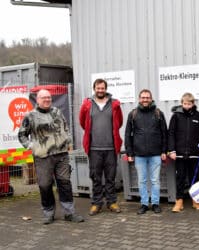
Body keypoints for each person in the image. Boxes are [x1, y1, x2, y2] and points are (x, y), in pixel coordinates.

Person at [18, 89, 84, 224]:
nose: (47, 100)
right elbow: (22, 135)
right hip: (43, 157)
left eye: (48, 97)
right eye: (43, 98)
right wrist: (32, 146)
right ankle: (48, 213)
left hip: (61, 155)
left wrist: (69, 143)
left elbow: (65, 127)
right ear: (37, 99)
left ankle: (69, 213)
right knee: (44, 185)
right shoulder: (30, 116)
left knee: (64, 183)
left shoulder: (57, 112)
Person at [79, 78, 123, 216]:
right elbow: (82, 122)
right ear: (94, 89)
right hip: (94, 148)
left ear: (106, 89)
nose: (100, 90)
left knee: (110, 177)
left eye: (102, 88)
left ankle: (112, 202)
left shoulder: (114, 104)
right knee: (96, 177)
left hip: (111, 148)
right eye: (98, 88)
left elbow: (119, 122)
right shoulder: (87, 104)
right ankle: (96, 203)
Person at [125, 89, 168, 214]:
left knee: (155, 180)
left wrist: (164, 150)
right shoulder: (133, 114)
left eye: (147, 97)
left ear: (151, 98)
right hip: (139, 154)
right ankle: (144, 204)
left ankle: (155, 203)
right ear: (139, 99)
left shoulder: (158, 113)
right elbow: (128, 134)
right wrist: (129, 153)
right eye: (143, 97)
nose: (145, 99)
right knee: (141, 180)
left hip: (156, 153)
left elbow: (164, 133)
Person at [168, 93, 199, 212]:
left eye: (189, 104)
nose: (187, 106)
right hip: (179, 154)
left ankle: (196, 200)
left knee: (194, 178)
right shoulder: (176, 116)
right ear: (181, 103)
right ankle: (179, 202)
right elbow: (171, 134)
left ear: (193, 103)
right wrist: (172, 150)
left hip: (194, 154)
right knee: (180, 178)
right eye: (185, 104)